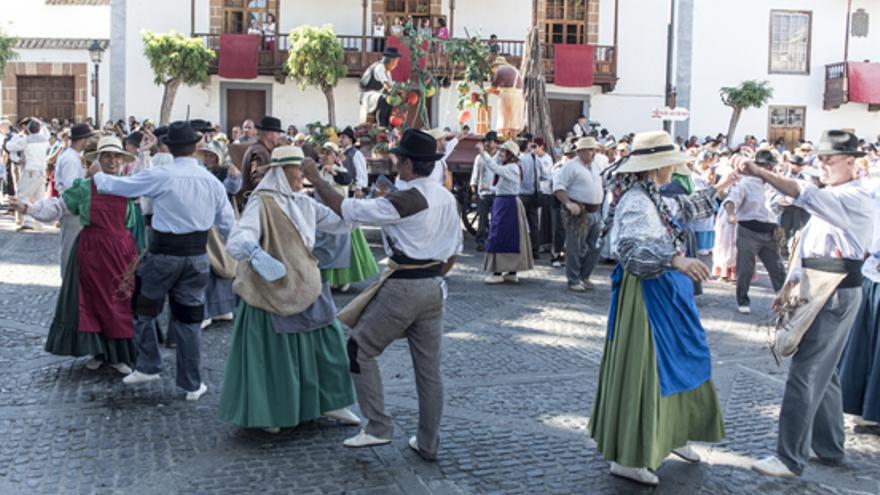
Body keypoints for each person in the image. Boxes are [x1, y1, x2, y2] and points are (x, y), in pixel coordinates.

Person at [302, 128, 462, 461]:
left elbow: (347, 209)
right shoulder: (446, 197)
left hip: (406, 284)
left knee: (359, 348)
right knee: (429, 370)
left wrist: (316, 179)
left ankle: (377, 426)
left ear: (406, 163)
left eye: (397, 158)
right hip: (434, 285)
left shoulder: (406, 199)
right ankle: (428, 442)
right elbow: (454, 252)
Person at [590, 130, 735, 486]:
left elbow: (684, 208)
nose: (675, 166)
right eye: (671, 161)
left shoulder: (655, 195)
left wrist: (724, 184)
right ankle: (630, 454)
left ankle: (673, 433)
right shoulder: (637, 201)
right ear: (657, 167)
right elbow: (630, 251)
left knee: (683, 359)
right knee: (648, 369)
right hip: (645, 296)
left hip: (666, 290)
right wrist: (675, 260)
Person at [748, 130, 874, 478]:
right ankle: (830, 447)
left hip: (833, 288)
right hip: (824, 283)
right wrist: (791, 284)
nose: (823, 165)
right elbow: (810, 245)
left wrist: (760, 172)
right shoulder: (839, 192)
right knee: (825, 369)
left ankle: (789, 458)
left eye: (829, 159)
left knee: (804, 371)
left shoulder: (854, 197)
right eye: (820, 158)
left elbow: (801, 193)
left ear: (852, 161)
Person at [89, 121, 236, 401]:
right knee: (189, 320)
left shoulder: (163, 175)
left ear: (168, 146)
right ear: (195, 148)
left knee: (142, 310)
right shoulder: (210, 182)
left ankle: (149, 365)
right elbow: (229, 225)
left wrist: (98, 175)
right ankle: (192, 384)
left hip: (163, 257)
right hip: (196, 259)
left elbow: (120, 187)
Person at [220, 145, 360, 433]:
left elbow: (342, 225)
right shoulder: (262, 202)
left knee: (327, 343)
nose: (303, 175)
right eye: (298, 169)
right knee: (275, 353)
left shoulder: (305, 202)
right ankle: (272, 411)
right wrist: (255, 252)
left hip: (308, 282)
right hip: (272, 289)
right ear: (281, 172)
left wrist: (352, 207)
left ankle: (330, 401)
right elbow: (238, 237)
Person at [9, 136, 141, 374]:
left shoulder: (130, 185)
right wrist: (28, 209)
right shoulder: (83, 187)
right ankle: (100, 351)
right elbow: (58, 207)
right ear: (98, 160)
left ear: (122, 160)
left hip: (122, 251)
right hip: (91, 252)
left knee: (119, 300)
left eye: (116, 156)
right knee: (91, 302)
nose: (112, 161)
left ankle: (118, 354)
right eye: (107, 156)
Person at [723, 150, 786, 314]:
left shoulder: (774, 184)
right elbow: (731, 200)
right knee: (745, 268)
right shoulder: (745, 184)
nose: (771, 169)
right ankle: (742, 300)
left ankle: (784, 299)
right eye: (768, 166)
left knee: (777, 268)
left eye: (772, 166)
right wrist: (730, 214)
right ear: (759, 166)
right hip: (749, 231)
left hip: (770, 231)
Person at [838, 185, 880, 434]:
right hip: (872, 275)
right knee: (865, 347)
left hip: (870, 273)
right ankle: (866, 412)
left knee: (865, 347)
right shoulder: (871, 189)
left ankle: (866, 411)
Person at [314, 141, 379, 292]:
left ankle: (344, 279)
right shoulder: (318, 172)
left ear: (335, 156)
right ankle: (327, 280)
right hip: (321, 215)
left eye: (328, 153)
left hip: (339, 215)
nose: (324, 156)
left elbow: (346, 179)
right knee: (322, 248)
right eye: (323, 153)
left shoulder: (340, 171)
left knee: (342, 247)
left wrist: (333, 172)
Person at [196, 140, 242, 328]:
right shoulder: (203, 173)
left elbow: (231, 189)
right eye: (206, 155)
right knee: (211, 265)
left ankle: (223, 309)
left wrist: (233, 178)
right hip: (208, 224)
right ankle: (212, 310)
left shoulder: (225, 172)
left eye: (212, 155)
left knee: (224, 263)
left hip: (222, 224)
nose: (209, 158)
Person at [554, 137, 607, 291]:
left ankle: (584, 275)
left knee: (597, 244)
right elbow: (558, 186)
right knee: (575, 246)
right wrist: (568, 203)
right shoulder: (570, 166)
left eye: (595, 149)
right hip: (578, 211)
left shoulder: (596, 166)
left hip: (595, 211)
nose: (594, 153)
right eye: (591, 149)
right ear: (580, 151)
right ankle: (573, 278)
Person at [480, 139, 533, 284]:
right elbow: (503, 187)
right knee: (506, 235)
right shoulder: (511, 167)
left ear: (510, 154)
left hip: (507, 204)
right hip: (504, 202)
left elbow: (496, 169)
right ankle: (509, 271)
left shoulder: (512, 168)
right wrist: (489, 188)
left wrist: (483, 154)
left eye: (504, 151)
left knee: (501, 235)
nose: (501, 153)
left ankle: (500, 272)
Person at [53, 123, 93, 277]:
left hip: (76, 206)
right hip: (72, 206)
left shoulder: (74, 157)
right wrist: (88, 176)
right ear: (83, 140)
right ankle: (67, 281)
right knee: (70, 247)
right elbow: (71, 186)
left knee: (74, 246)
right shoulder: (70, 159)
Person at [7, 119, 50, 230]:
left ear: (29, 129)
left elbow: (10, 147)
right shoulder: (45, 139)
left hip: (31, 170)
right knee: (38, 197)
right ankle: (38, 221)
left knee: (23, 195)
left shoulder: (26, 139)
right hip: (42, 171)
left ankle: (28, 220)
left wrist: (9, 142)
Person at [470, 131, 499, 251]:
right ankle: (480, 241)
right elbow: (475, 174)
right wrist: (473, 189)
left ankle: (494, 241)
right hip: (483, 193)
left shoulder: (500, 157)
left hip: (496, 192)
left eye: (490, 141)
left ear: (496, 143)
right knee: (482, 219)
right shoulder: (479, 157)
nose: (488, 143)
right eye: (486, 141)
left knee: (495, 219)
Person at [241, 116, 283, 200]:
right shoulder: (260, 152)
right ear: (269, 134)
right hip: (258, 203)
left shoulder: (259, 148)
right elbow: (257, 180)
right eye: (278, 133)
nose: (279, 137)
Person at [518, 137, 546, 259]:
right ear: (528, 146)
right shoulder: (535, 158)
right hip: (533, 194)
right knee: (534, 223)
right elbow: (544, 175)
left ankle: (520, 248)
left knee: (519, 222)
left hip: (520, 194)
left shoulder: (517, 160)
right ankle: (535, 250)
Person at [359, 48, 401, 127]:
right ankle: (381, 125)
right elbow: (387, 86)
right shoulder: (379, 67)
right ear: (390, 60)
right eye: (396, 62)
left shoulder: (387, 71)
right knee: (385, 99)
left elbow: (391, 86)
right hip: (367, 95)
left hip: (375, 95)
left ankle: (388, 124)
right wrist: (393, 91)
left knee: (389, 100)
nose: (396, 65)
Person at [488, 57, 524, 141]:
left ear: (496, 66)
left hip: (507, 97)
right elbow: (505, 90)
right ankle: (513, 138)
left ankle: (504, 136)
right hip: (518, 97)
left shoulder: (499, 70)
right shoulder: (514, 70)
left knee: (504, 119)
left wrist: (487, 91)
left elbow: (493, 88)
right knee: (513, 123)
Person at [339, 127, 369, 195]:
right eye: (340, 137)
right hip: (344, 190)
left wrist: (359, 188)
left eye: (343, 137)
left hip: (353, 191)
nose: (340, 140)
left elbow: (361, 173)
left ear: (350, 139)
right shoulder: (341, 153)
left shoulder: (356, 154)